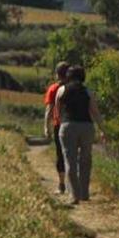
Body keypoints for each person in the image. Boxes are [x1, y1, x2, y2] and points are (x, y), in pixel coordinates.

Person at [55, 65, 107, 205]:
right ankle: (84, 193)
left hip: (68, 126)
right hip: (86, 127)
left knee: (70, 161)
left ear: (68, 76)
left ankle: (74, 195)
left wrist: (61, 123)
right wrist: (102, 129)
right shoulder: (88, 91)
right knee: (85, 160)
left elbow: (57, 112)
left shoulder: (61, 90)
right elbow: (95, 112)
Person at [43, 61, 70, 194]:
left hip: (59, 125)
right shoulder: (74, 88)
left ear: (57, 74)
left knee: (60, 154)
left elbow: (49, 109)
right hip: (73, 124)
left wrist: (46, 127)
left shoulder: (54, 89)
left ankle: (61, 184)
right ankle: (74, 184)